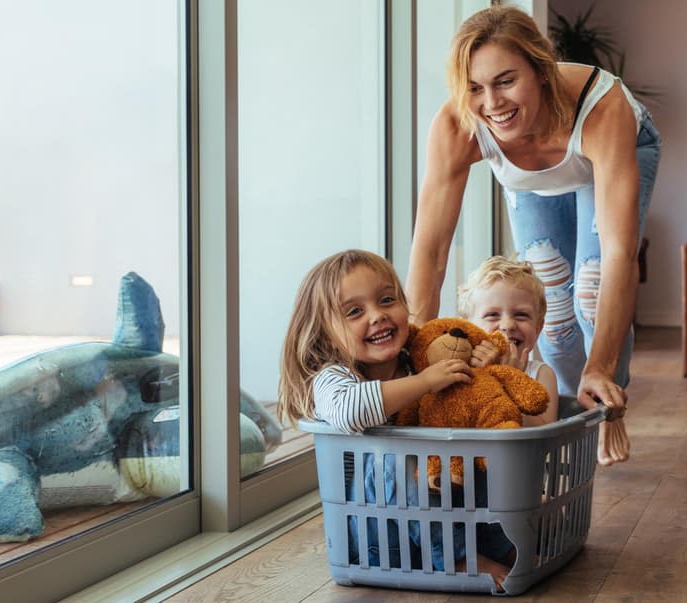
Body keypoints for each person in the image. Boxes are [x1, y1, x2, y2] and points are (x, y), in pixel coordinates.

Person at [405, 5, 662, 466]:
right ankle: (567, 416)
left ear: (541, 71)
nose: (493, 103)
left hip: (612, 151)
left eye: (506, 81)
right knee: (554, 312)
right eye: (475, 88)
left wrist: (601, 365)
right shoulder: (458, 124)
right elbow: (431, 249)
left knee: (590, 286)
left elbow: (621, 253)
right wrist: (413, 354)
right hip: (535, 181)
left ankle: (606, 401)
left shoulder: (603, 108)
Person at [277, 249, 514, 589]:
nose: (377, 316)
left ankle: (502, 546)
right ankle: (459, 558)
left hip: (440, 524)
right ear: (325, 333)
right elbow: (351, 411)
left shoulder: (417, 360)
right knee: (395, 454)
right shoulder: (333, 378)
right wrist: (427, 382)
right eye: (355, 311)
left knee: (470, 455)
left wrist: (480, 366)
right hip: (378, 538)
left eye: (387, 300)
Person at [457, 255, 559, 426]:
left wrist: (510, 380)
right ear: (468, 327)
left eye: (521, 315)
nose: (507, 325)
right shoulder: (459, 368)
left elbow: (544, 432)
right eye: (492, 315)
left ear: (538, 328)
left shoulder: (541, 374)